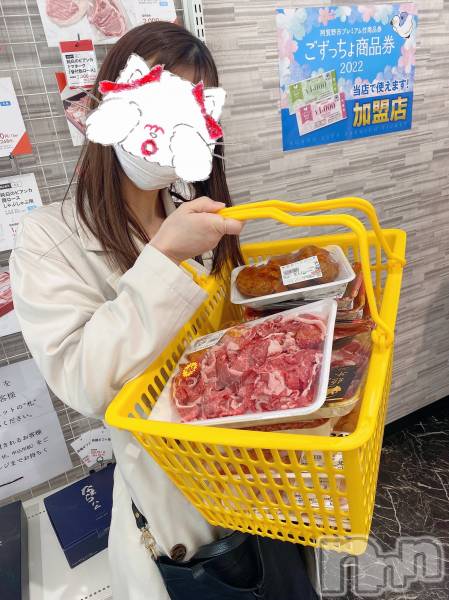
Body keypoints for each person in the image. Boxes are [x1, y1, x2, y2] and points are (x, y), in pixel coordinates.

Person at [10, 22, 318, 600]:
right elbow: (82, 379)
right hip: (178, 507)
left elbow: (227, 336)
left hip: (256, 464)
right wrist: (163, 257)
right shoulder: (47, 238)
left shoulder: (189, 204)